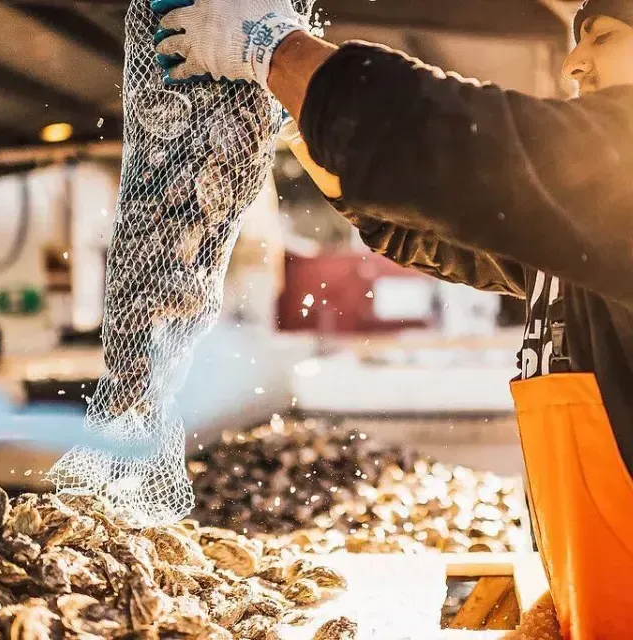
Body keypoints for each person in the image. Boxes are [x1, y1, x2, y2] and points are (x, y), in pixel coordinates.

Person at [153, 0, 633, 636]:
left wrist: (275, 50)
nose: (573, 63)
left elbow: (464, 143)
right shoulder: (592, 241)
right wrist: (302, 121)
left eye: (600, 36)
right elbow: (432, 226)